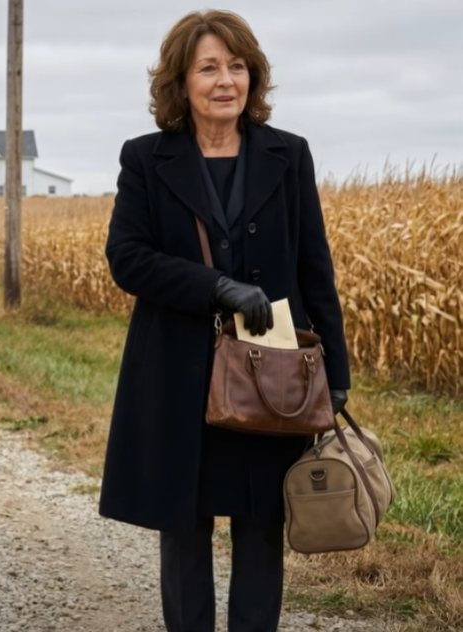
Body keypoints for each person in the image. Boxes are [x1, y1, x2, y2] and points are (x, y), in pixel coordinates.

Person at [99, 9, 350, 632]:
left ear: (253, 77)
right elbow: (127, 259)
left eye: (236, 66)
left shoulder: (289, 155)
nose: (224, 80)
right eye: (208, 67)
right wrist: (216, 287)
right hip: (177, 376)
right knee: (184, 532)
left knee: (262, 525)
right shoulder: (145, 159)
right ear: (180, 82)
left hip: (276, 374)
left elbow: (315, 268)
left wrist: (337, 372)